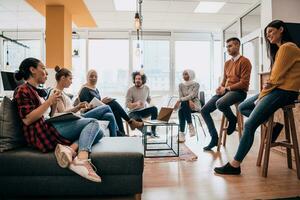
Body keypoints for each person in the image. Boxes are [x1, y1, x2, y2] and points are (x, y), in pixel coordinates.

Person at [214, 20, 300, 175]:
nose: (269, 37)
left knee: (249, 125)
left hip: (284, 92)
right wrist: (264, 92)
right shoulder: (281, 50)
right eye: (266, 35)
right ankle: (272, 125)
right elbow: (275, 78)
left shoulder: (287, 47)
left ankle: (235, 165)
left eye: (271, 32)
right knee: (243, 107)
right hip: (278, 90)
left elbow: (274, 79)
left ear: (281, 30)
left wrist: (262, 95)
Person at [14, 57, 104, 182]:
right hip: (41, 132)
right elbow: (27, 119)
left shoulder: (36, 91)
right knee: (93, 122)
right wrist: (49, 101)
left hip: (49, 125)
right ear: (32, 70)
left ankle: (70, 149)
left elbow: (49, 115)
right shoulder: (22, 90)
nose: (46, 72)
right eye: (43, 68)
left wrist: (53, 103)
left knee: (99, 132)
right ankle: (81, 160)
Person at [201, 37, 252, 151]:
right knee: (204, 110)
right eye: (227, 46)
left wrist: (227, 88)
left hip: (239, 92)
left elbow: (244, 83)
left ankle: (232, 119)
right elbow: (224, 80)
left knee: (220, 103)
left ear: (237, 45)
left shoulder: (245, 61)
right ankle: (214, 138)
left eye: (230, 46)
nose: (228, 48)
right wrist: (220, 87)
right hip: (226, 92)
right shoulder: (227, 63)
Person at [50, 66, 119, 137]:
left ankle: (114, 139)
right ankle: (118, 131)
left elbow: (69, 110)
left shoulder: (63, 93)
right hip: (77, 118)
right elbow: (64, 114)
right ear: (63, 78)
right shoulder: (57, 93)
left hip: (79, 115)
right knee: (106, 107)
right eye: (70, 79)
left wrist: (82, 108)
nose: (71, 82)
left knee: (109, 116)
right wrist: (78, 107)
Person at [78, 70, 143, 136]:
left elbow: (98, 103)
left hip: (98, 111)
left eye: (96, 77)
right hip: (90, 114)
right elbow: (85, 107)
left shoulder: (95, 89)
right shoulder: (84, 90)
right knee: (112, 103)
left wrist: (102, 101)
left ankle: (122, 134)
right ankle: (130, 121)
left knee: (115, 113)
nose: (94, 78)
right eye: (91, 76)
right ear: (87, 77)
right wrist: (102, 102)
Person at [126, 71, 158, 137]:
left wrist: (153, 103)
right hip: (133, 112)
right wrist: (136, 103)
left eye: (139, 79)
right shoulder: (130, 90)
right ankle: (146, 132)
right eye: (136, 79)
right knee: (137, 120)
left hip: (142, 111)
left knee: (154, 109)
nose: (137, 80)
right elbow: (127, 105)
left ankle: (153, 131)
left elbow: (148, 99)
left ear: (143, 80)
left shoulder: (147, 88)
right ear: (134, 80)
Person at [174, 69, 199, 143]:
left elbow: (193, 95)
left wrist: (180, 100)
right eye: (183, 74)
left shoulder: (196, 84)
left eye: (186, 74)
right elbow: (180, 96)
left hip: (194, 104)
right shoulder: (181, 85)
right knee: (183, 106)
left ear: (191, 75)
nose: (184, 76)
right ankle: (190, 125)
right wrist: (187, 100)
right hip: (185, 105)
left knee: (181, 108)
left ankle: (181, 133)